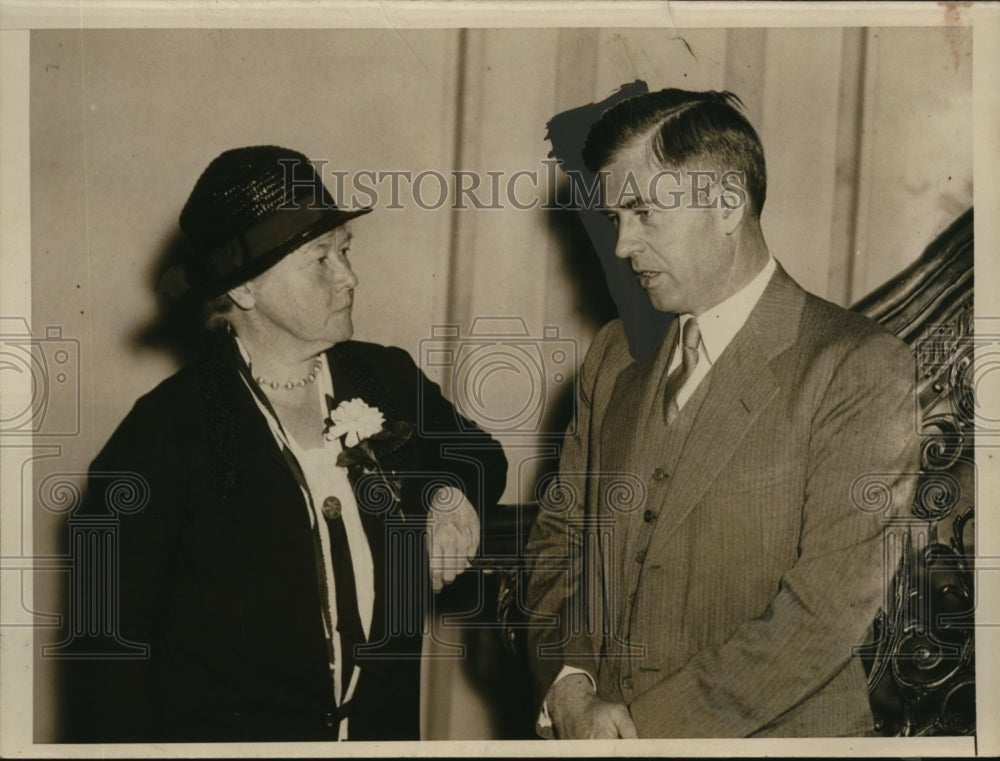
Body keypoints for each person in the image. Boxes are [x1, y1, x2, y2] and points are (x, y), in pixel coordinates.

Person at [74, 146, 507, 742]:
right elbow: (110, 659)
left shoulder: (385, 378)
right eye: (320, 259)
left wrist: (448, 495)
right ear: (246, 290)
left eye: (346, 251)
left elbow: (481, 455)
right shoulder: (163, 434)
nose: (348, 276)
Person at [523, 89, 919, 738]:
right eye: (615, 218)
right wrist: (569, 688)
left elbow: (823, 613)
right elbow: (555, 545)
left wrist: (641, 734)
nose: (622, 245)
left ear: (728, 204)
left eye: (644, 212)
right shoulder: (613, 353)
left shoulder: (857, 367)